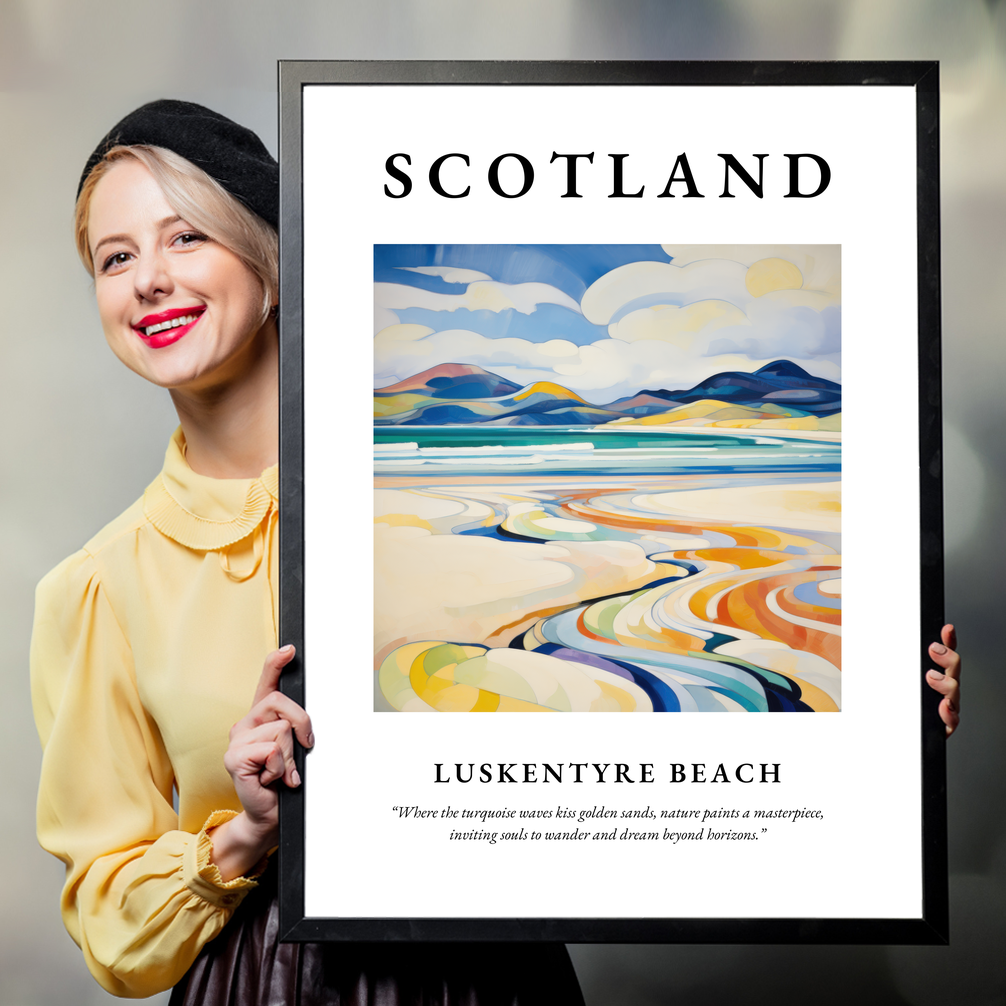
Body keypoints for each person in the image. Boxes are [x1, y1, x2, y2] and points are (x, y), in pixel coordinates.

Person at [30, 100, 585, 1004]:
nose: (148, 281)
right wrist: (244, 832)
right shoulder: (97, 587)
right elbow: (110, 924)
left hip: (492, 973)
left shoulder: (450, 501)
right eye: (116, 257)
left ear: (273, 264)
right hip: (262, 982)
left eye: (186, 239)